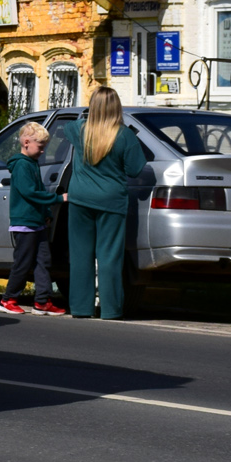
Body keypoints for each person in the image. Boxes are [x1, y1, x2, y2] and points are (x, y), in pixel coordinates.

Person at [63, 87, 148, 319]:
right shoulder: (124, 135)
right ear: (117, 107)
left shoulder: (78, 130)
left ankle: (81, 308)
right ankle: (111, 310)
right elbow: (135, 168)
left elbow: (68, 125)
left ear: (93, 107)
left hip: (80, 198)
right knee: (109, 256)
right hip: (111, 200)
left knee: (81, 255)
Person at [0, 121, 69, 316]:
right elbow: (30, 193)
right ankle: (8, 299)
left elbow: (36, 191)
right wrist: (56, 199)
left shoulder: (31, 163)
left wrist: (45, 214)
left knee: (43, 262)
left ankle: (42, 301)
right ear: (27, 142)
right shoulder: (21, 165)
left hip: (36, 222)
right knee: (23, 262)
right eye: (40, 146)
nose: (42, 151)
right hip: (24, 224)